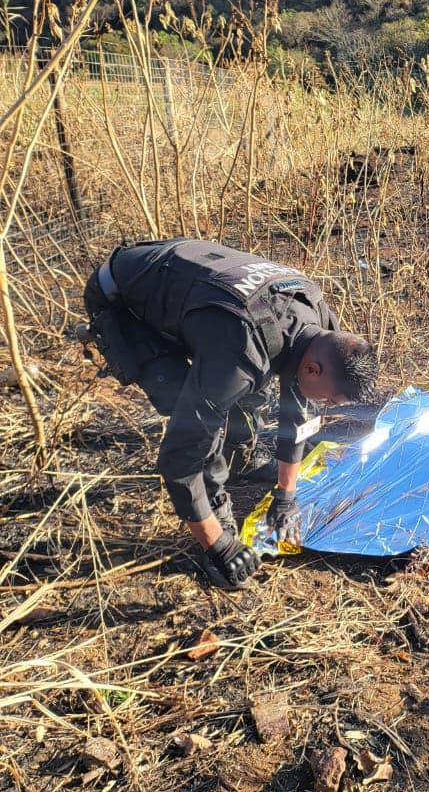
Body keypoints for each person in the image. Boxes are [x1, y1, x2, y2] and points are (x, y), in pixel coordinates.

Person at [80, 238, 379, 590]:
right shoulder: (240, 350)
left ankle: (240, 461)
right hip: (122, 298)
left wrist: (286, 496)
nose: (326, 407)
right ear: (313, 369)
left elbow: (299, 408)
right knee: (189, 407)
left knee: (254, 389)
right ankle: (214, 511)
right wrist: (218, 544)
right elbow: (180, 456)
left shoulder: (317, 318)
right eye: (330, 401)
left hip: (189, 285)